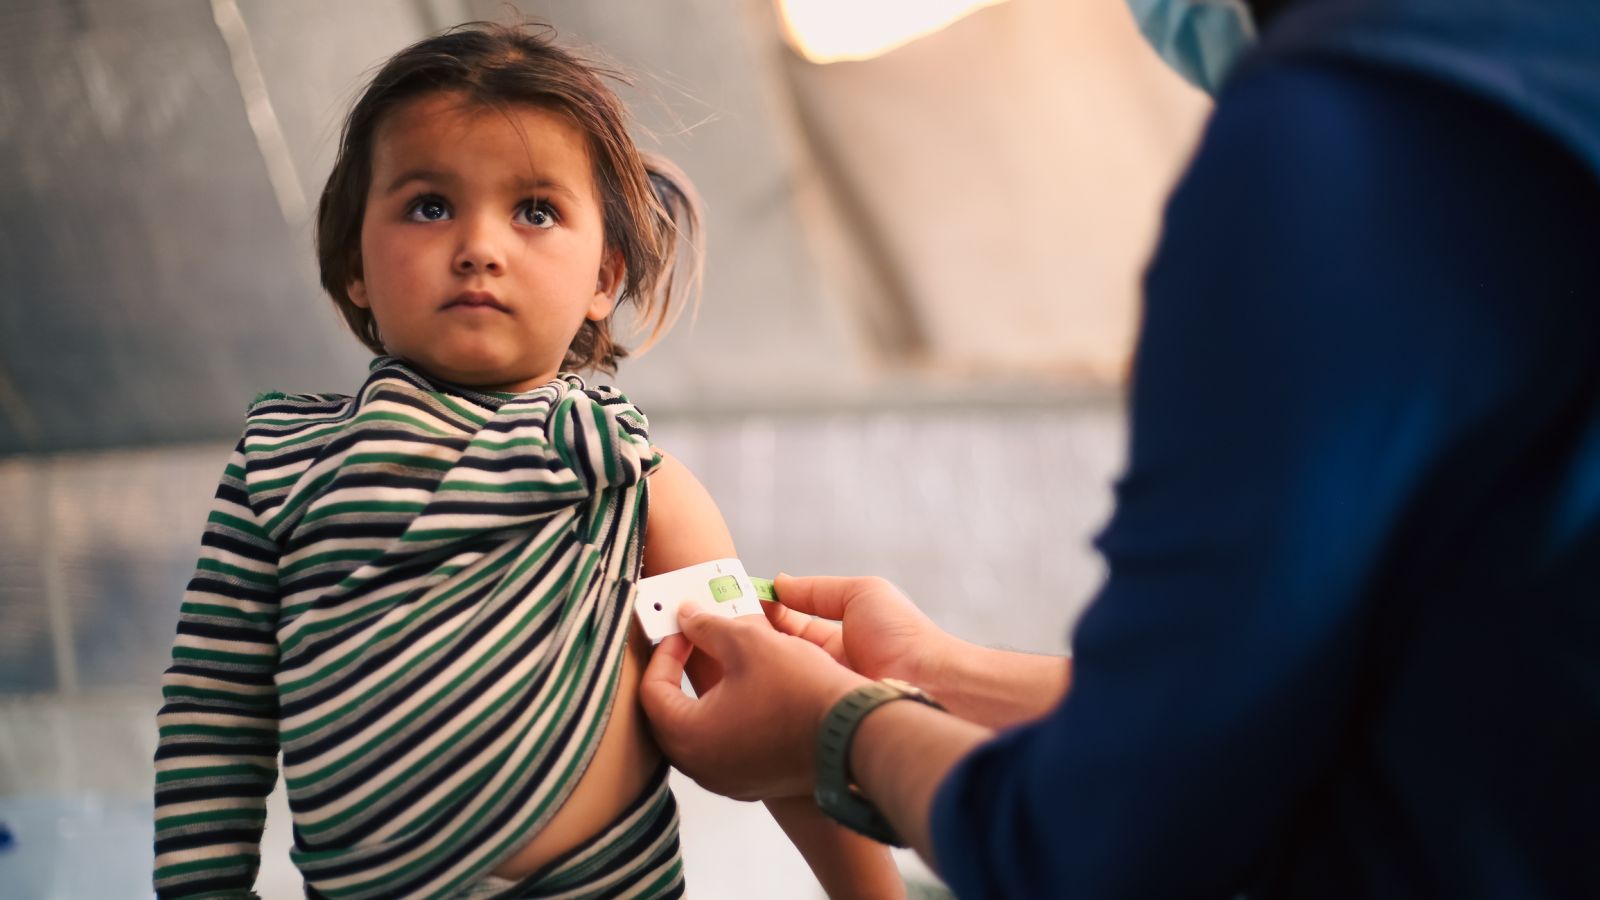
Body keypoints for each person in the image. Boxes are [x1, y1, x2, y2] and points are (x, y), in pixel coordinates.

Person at [641, 0, 1600, 896]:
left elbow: (1106, 839)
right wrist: (936, 673)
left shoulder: (1342, 142)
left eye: (539, 209)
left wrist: (837, 733)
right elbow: (1276, 705)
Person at [151, 22, 900, 900]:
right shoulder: (282, 462)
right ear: (355, 259)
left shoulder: (626, 473)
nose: (480, 245)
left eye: (535, 210)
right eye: (429, 205)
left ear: (602, 280)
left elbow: (770, 706)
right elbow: (214, 714)